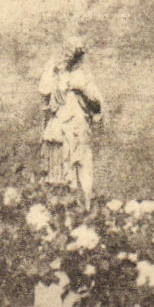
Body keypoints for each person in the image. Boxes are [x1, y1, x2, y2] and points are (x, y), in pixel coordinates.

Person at [38, 37, 104, 209]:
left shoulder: (81, 77)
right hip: (60, 128)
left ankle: (84, 206)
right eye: (66, 53)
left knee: (81, 165)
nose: (68, 57)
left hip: (78, 127)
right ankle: (62, 208)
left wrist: (80, 88)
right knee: (60, 169)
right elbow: (45, 92)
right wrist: (57, 79)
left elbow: (97, 103)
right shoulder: (55, 75)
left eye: (73, 54)